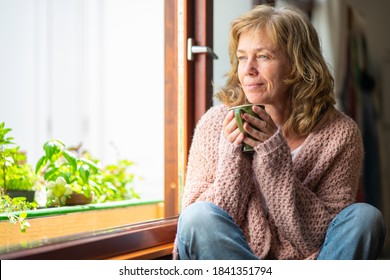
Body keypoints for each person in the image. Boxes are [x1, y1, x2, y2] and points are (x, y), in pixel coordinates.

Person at [174, 4, 386, 260]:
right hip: (237, 262)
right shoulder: (214, 123)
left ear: (297, 64)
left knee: (365, 217)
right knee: (198, 216)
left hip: (310, 261)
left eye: (263, 56)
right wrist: (232, 153)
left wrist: (274, 157)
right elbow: (197, 227)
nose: (248, 69)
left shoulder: (339, 134)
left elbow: (320, 239)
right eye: (242, 57)